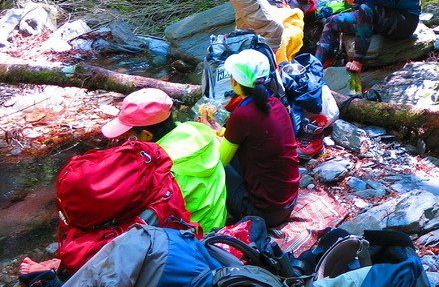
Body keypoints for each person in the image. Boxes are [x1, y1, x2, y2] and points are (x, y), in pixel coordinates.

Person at [101, 88, 228, 233]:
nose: (125, 140)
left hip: (195, 239)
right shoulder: (199, 133)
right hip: (216, 223)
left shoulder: (160, 168)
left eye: (127, 136)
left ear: (147, 135)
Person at [218, 49, 300, 228]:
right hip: (290, 200)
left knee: (213, 167)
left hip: (265, 213)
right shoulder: (277, 104)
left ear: (235, 82)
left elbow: (220, 160)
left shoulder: (242, 114)